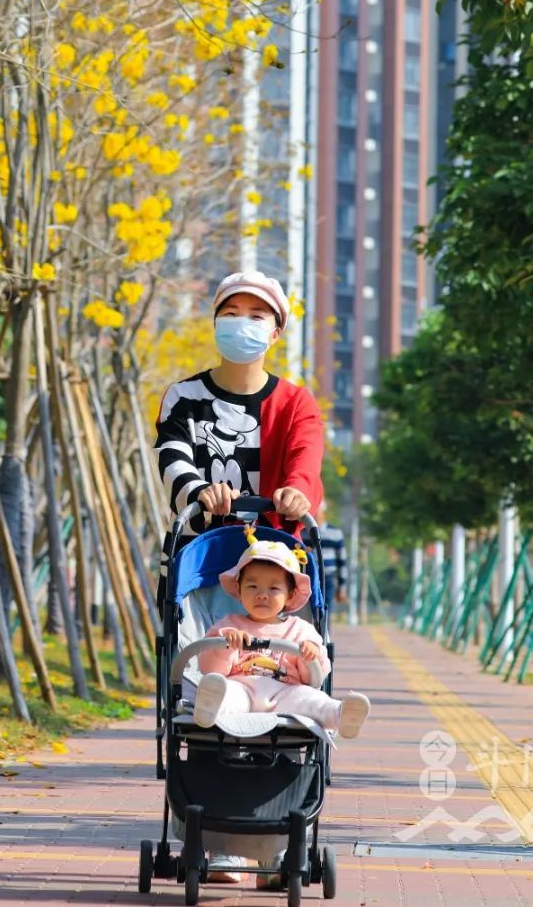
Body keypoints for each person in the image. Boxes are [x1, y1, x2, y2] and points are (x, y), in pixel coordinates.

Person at [154, 270, 325, 604]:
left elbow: (306, 458)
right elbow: (172, 461)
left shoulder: (294, 403)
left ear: (275, 333)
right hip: (198, 559)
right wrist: (201, 491)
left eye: (256, 315)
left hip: (275, 563)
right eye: (230, 314)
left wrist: (297, 492)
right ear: (216, 323)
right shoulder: (182, 397)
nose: (241, 322)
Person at [193, 530, 370, 739]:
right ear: (239, 590)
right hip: (243, 687)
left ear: (290, 595)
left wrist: (311, 656)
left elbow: (312, 678)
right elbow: (209, 669)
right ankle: (212, 706)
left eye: (273, 588)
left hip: (286, 692)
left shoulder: (300, 630)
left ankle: (339, 714)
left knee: (310, 699)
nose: (262, 594)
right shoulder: (229, 625)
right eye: (252, 586)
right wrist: (226, 647)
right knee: (226, 692)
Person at [318, 502, 348, 619]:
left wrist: (342, 587)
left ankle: (325, 636)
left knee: (326, 611)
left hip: (328, 578)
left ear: (323, 512)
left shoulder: (335, 533)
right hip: (308, 578)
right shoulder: (303, 532)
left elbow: (342, 562)